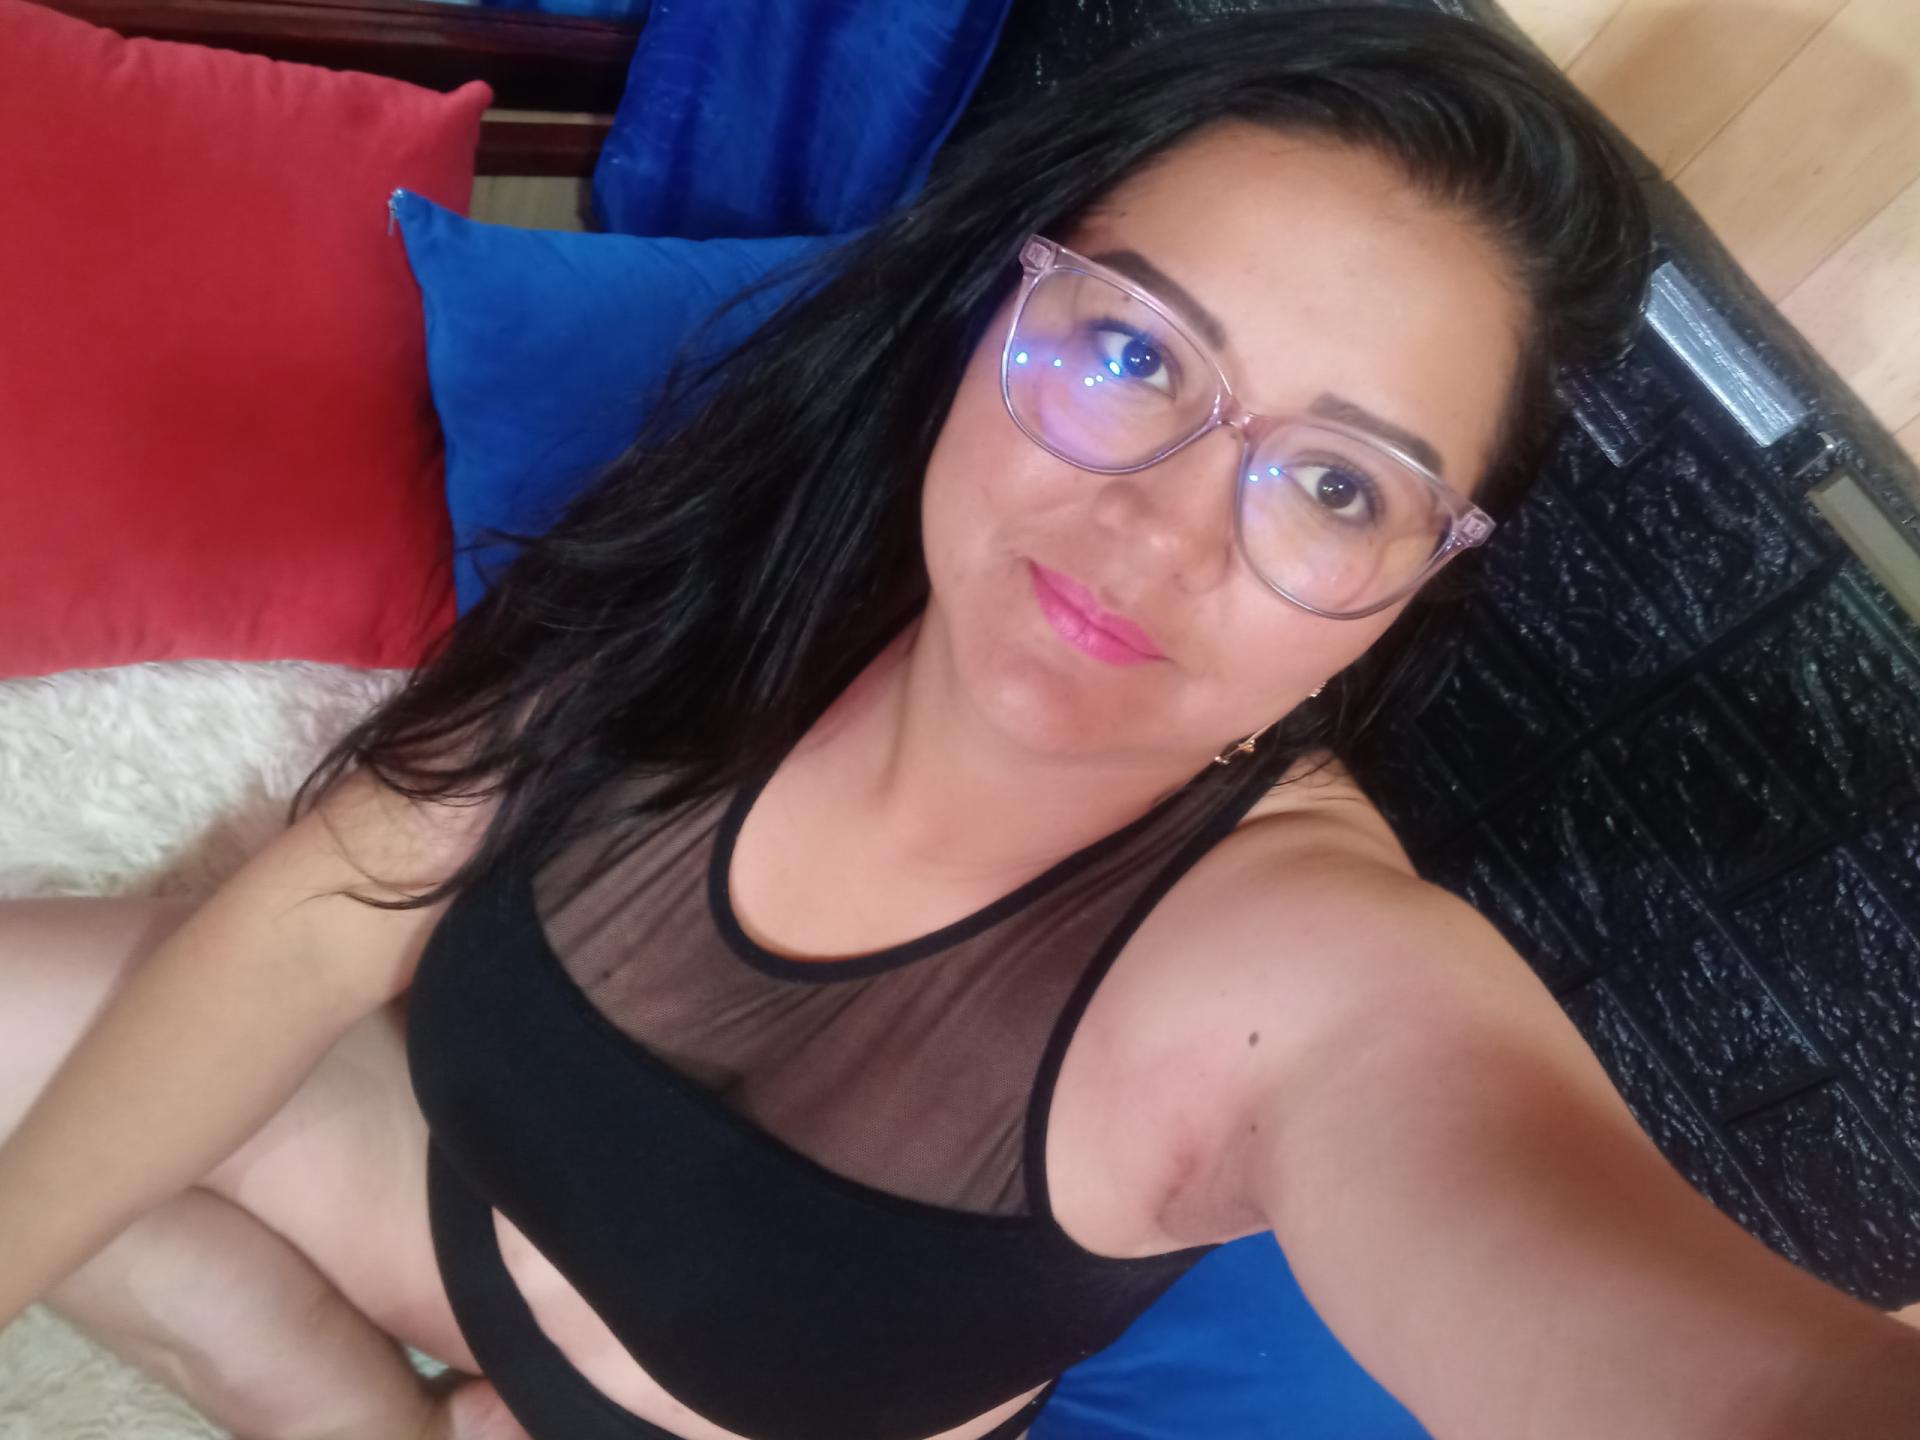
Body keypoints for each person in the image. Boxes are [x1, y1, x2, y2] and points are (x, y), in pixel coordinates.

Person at [4, 8, 1916, 1440]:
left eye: (1338, 486)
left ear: (1420, 578)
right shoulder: (780, 534)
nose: (1156, 529)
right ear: (1002, 309)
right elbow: (320, 911)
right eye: (1134, 350)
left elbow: (1716, 1376)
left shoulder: (1300, 977)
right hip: (453, 1205)